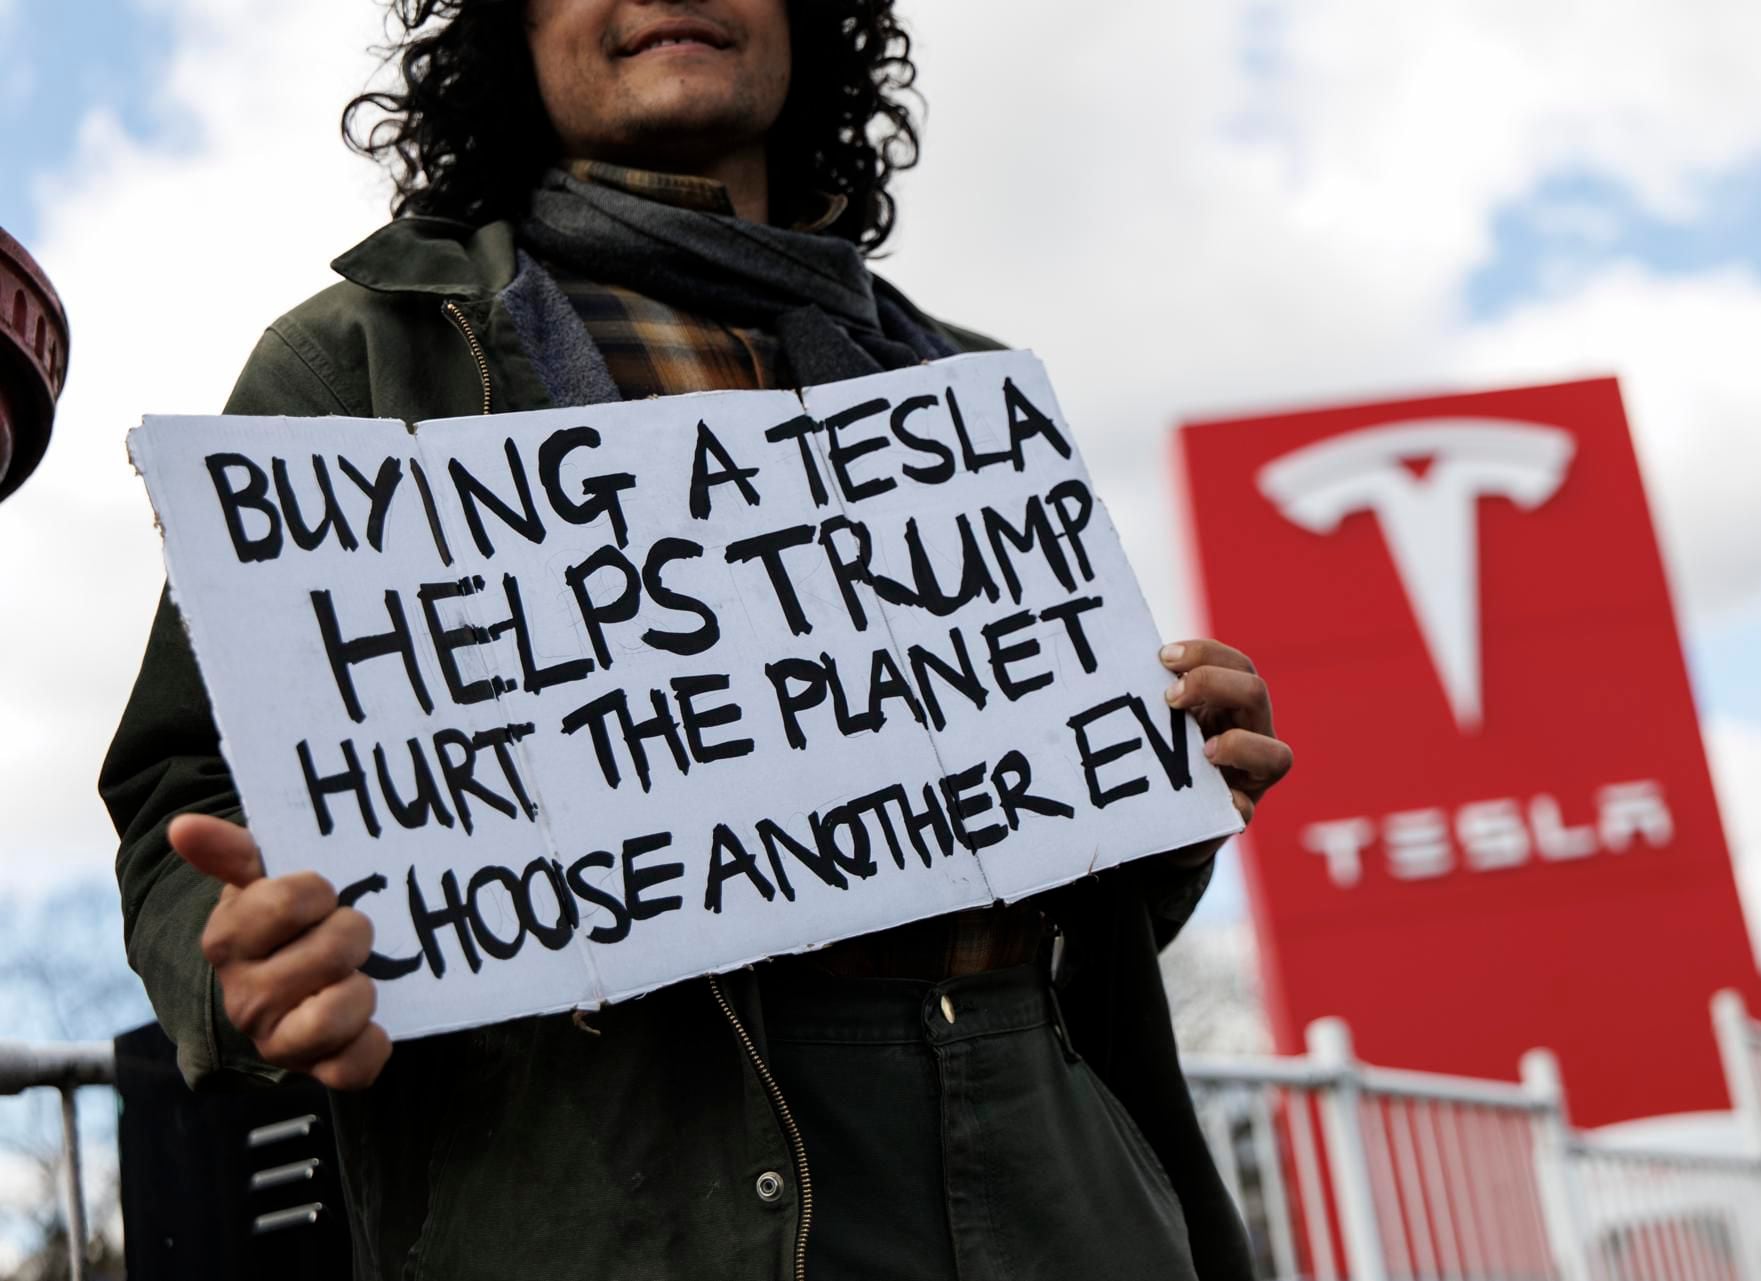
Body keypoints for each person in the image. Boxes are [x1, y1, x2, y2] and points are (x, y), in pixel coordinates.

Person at [100, 2, 1295, 1278]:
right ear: (512, 30)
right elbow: (184, 802)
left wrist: (1166, 781)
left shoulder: (965, 389)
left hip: (1063, 1201)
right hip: (623, 1211)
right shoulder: (363, 366)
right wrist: (244, 962)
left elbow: (1055, 901)